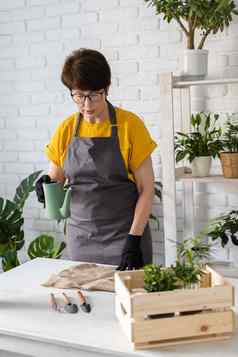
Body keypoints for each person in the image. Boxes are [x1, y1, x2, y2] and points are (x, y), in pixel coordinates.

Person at [35, 48, 157, 270]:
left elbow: (146, 189)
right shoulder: (66, 129)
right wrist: (46, 183)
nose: (87, 105)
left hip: (125, 237)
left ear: (107, 88)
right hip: (81, 240)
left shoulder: (130, 126)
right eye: (79, 96)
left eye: (94, 95)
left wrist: (133, 240)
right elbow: (57, 178)